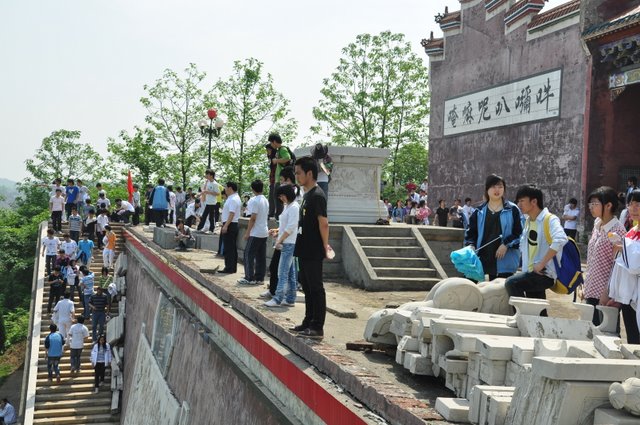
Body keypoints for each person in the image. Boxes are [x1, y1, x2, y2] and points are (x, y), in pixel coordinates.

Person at [505, 185, 568, 311]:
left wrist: (541, 264)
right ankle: (537, 321)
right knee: (538, 310)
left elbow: (561, 239)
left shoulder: (549, 219)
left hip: (544, 274)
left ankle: (521, 317)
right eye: (518, 201)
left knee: (511, 283)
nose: (519, 204)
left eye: (522, 201)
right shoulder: (528, 221)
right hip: (531, 272)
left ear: (534, 201)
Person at [290, 156, 330, 340]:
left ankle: (317, 326)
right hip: (304, 248)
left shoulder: (317, 195)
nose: (296, 176)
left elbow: (324, 223)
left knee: (315, 287)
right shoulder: (306, 195)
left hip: (313, 249)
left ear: (309, 173)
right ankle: (308, 321)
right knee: (306, 286)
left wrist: (325, 246)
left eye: (299, 173)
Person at [581, 187, 627, 326]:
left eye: (595, 204)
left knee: (606, 332)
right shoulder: (597, 225)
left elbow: (618, 266)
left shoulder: (618, 230)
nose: (591, 207)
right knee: (590, 330)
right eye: (590, 204)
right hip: (591, 290)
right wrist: (586, 285)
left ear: (608, 205)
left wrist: (607, 292)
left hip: (606, 295)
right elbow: (592, 259)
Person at [465, 175, 523, 281]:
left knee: (500, 290)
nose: (497, 190)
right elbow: (471, 234)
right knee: (470, 287)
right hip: (481, 258)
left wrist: (505, 244)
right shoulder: (478, 211)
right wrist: (471, 245)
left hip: (504, 260)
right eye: (493, 187)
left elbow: (519, 233)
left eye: (500, 187)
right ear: (487, 189)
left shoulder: (512, 209)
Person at [607, 189, 640, 344]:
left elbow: (635, 264)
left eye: (638, 204)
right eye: (631, 204)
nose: (633, 208)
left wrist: (624, 247)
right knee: (633, 338)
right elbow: (621, 266)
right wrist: (617, 295)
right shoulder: (631, 232)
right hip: (628, 296)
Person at [261, 167, 299, 300]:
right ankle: (289, 298)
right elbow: (285, 224)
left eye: (283, 180)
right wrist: (277, 231)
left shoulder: (294, 205)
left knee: (281, 272)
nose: (281, 198)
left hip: (287, 242)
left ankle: (277, 297)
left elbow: (291, 226)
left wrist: (280, 239)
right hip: (284, 240)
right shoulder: (288, 205)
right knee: (288, 272)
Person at [239, 180, 269, 285]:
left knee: (248, 254)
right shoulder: (265, 200)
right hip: (264, 231)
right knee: (261, 256)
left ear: (252, 189)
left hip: (256, 232)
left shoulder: (255, 201)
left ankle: (249, 277)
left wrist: (247, 233)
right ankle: (260, 278)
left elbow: (253, 218)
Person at [218, 182, 242, 274]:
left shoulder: (233, 199)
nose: (225, 189)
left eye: (226, 187)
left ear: (230, 188)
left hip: (230, 224)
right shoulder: (233, 198)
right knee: (231, 247)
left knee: (229, 248)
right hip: (231, 224)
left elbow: (232, 213)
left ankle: (229, 267)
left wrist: (226, 225)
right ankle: (231, 267)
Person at [269, 134, 292, 219]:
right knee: (277, 197)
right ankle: (278, 215)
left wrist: (276, 160)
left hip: (280, 179)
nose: (271, 144)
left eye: (271, 142)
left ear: (274, 142)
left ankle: (278, 216)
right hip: (278, 178)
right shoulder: (279, 150)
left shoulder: (282, 149)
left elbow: (287, 157)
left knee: (278, 197)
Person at [266, 142, 277, 218]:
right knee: (272, 197)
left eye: (268, 150)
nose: (267, 152)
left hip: (275, 180)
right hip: (273, 180)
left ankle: (272, 213)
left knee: (272, 197)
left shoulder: (275, 159)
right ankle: (272, 212)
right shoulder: (271, 158)